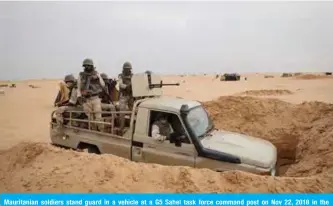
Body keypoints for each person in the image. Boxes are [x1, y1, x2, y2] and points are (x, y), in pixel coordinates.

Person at [77, 58, 105, 131]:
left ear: (92, 66)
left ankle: (101, 131)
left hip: (95, 98)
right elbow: (78, 87)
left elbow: (103, 84)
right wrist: (79, 97)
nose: (87, 67)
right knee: (90, 118)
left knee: (98, 117)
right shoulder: (81, 75)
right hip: (86, 99)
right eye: (85, 66)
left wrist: (97, 76)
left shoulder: (96, 74)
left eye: (88, 65)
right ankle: (93, 131)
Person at [118, 61, 134, 132]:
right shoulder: (120, 76)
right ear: (124, 69)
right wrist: (128, 86)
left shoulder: (133, 76)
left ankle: (131, 127)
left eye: (129, 69)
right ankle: (121, 127)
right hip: (123, 96)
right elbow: (121, 84)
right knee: (122, 112)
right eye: (126, 69)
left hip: (130, 95)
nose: (128, 70)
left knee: (132, 111)